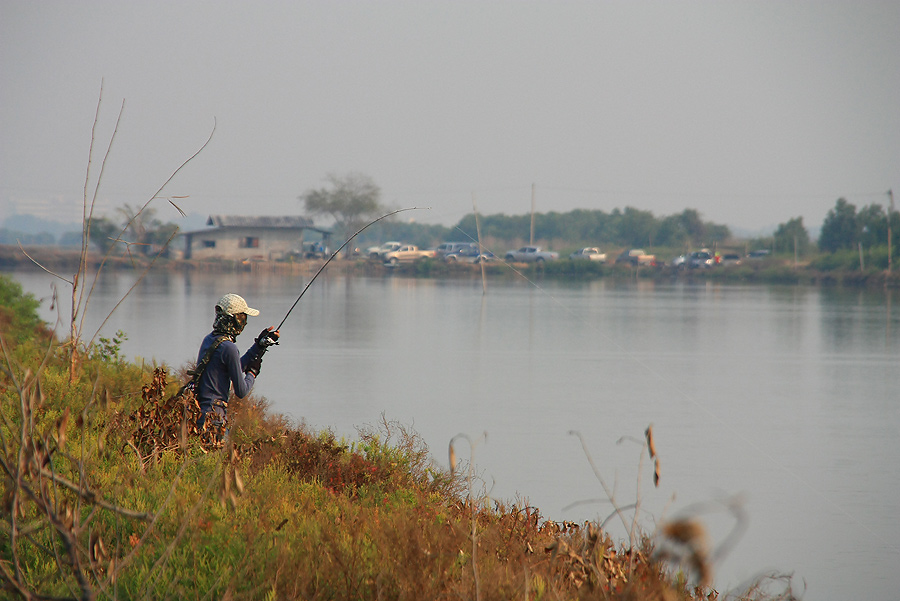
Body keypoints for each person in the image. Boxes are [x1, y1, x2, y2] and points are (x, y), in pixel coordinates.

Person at [194, 293, 279, 439]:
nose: (244, 323)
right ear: (233, 319)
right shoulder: (229, 347)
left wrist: (258, 346)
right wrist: (252, 373)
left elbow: (234, 367)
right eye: (242, 317)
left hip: (200, 414)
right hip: (215, 419)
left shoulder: (210, 340)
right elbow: (241, 391)